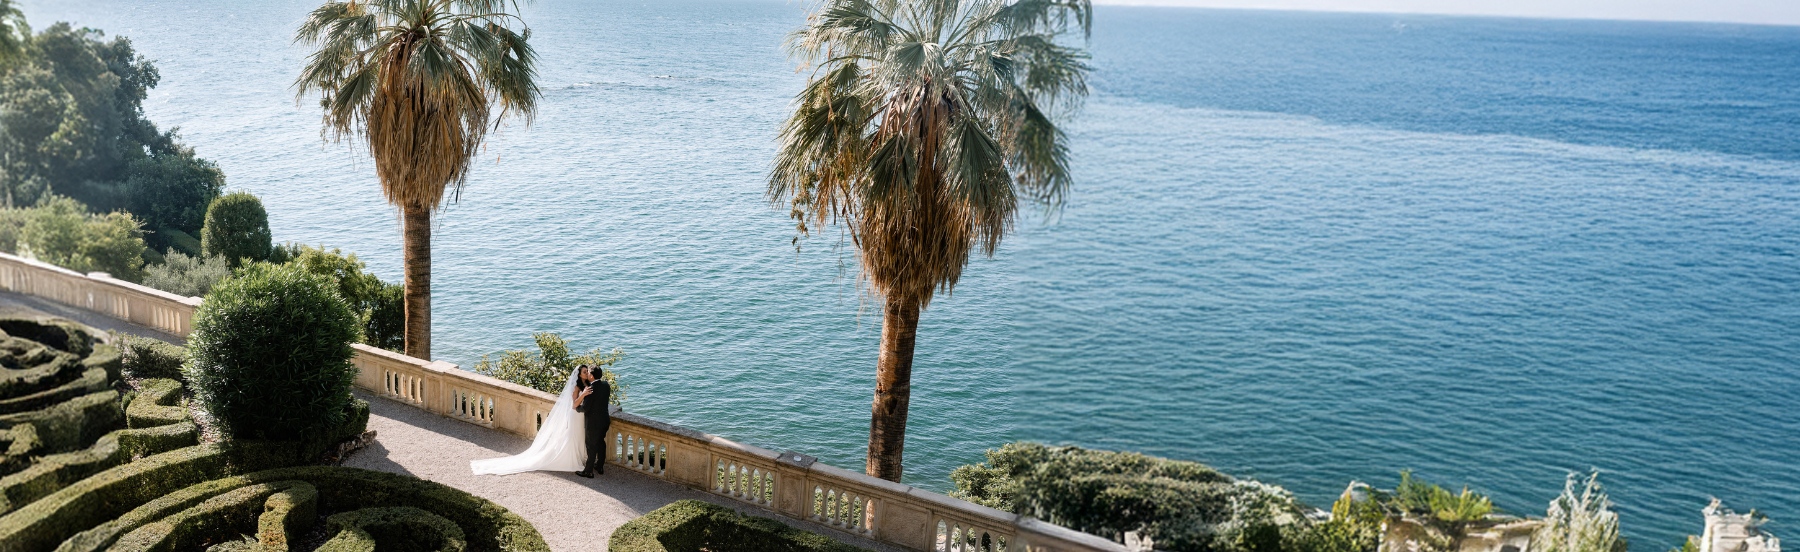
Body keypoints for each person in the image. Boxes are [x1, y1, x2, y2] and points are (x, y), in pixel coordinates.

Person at [469, 365, 589, 475]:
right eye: (584, 371)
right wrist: (583, 395)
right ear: (579, 374)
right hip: (575, 415)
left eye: (587, 371)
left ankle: (578, 457)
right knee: (572, 436)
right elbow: (574, 405)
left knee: (578, 436)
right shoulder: (576, 387)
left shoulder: (585, 385)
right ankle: (570, 460)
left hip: (581, 416)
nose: (586, 373)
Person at [573, 364, 612, 478]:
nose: (587, 374)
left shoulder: (590, 389)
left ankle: (588, 471)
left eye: (588, 372)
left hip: (593, 423)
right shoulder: (606, 385)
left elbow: (585, 408)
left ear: (591, 376)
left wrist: (576, 408)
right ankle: (599, 466)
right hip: (604, 420)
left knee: (591, 445)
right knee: (601, 443)